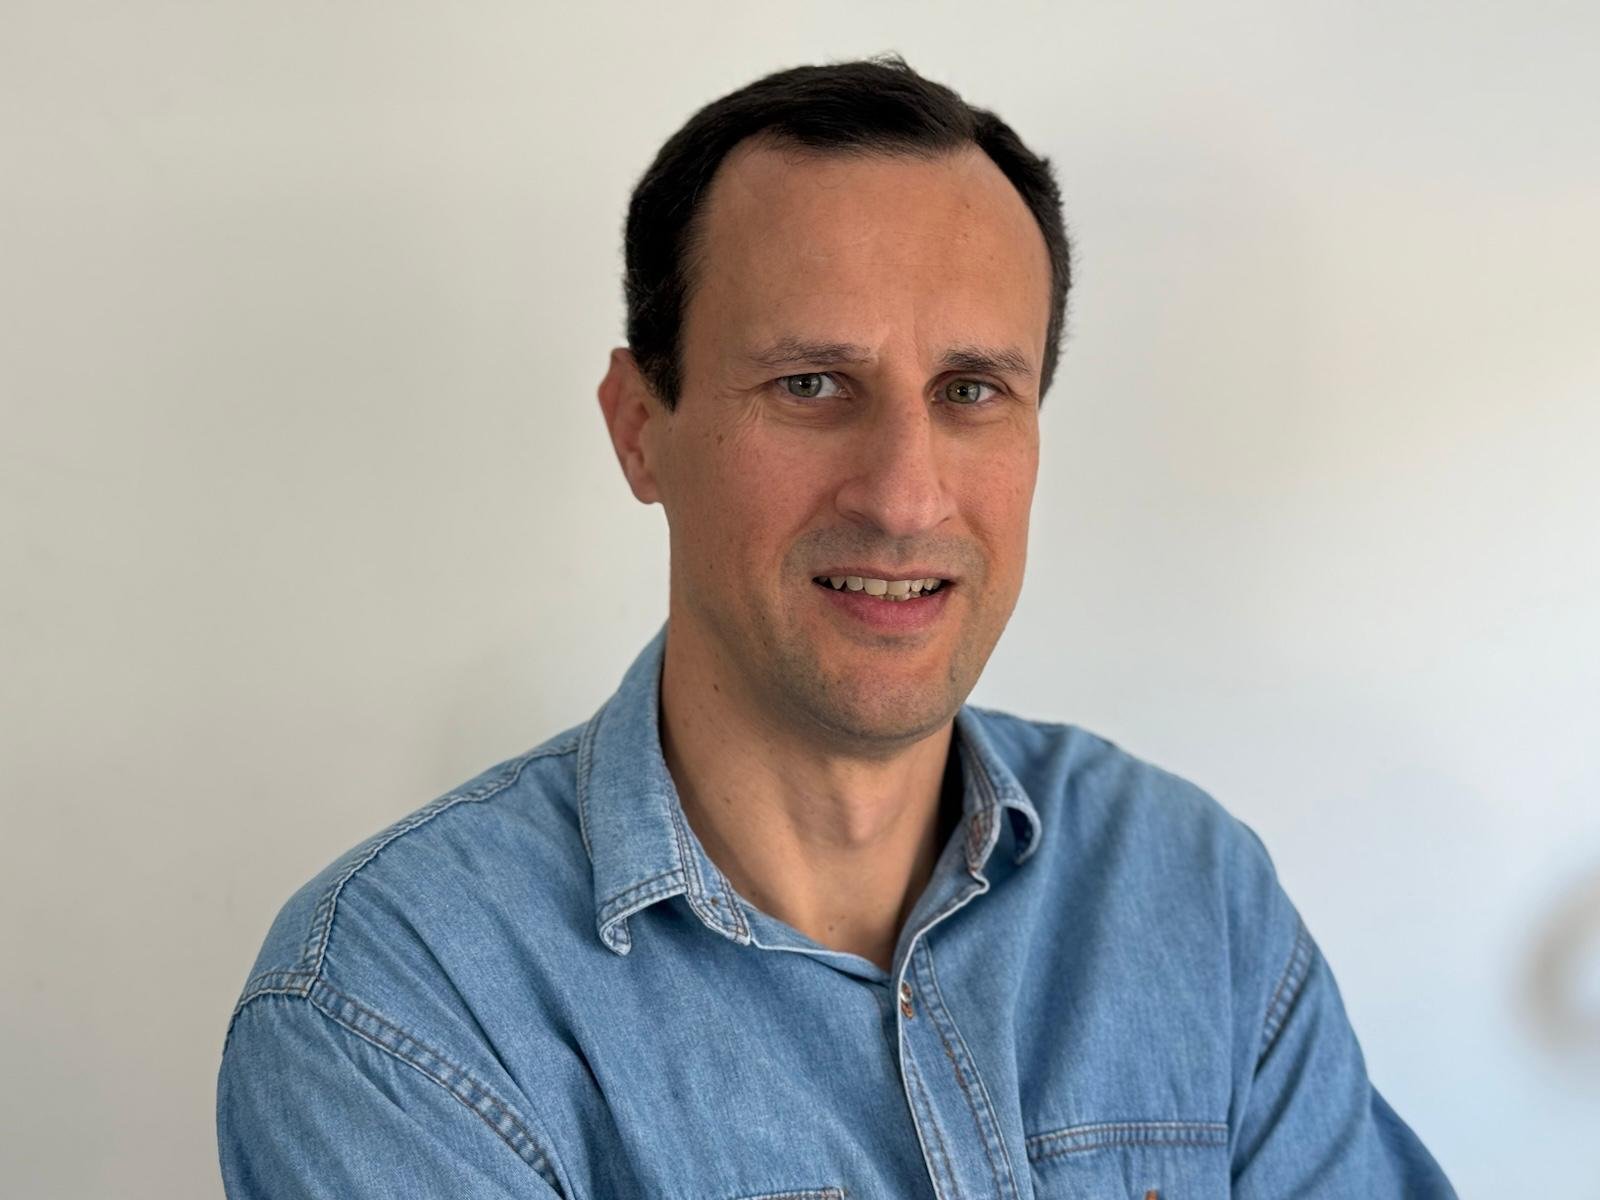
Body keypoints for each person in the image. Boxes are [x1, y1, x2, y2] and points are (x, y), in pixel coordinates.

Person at [216, 58, 1456, 1199]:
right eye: (810, 385)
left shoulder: (1191, 894)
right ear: (639, 428)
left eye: (971, 391)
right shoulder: (395, 1007)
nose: (904, 498)